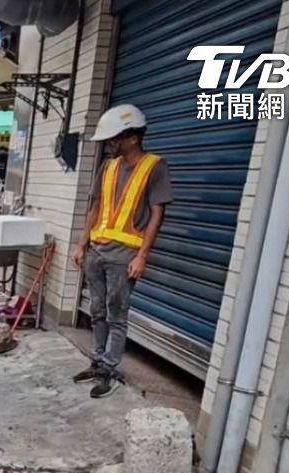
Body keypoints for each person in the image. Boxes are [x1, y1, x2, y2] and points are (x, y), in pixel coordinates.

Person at [71, 104, 173, 398]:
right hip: (97, 251)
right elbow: (95, 208)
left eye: (115, 139)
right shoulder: (108, 167)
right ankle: (98, 359)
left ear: (133, 137)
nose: (110, 144)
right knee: (96, 310)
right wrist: (81, 244)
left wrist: (142, 255)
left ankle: (110, 368)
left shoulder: (154, 167)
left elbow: (157, 213)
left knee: (117, 313)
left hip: (124, 254)